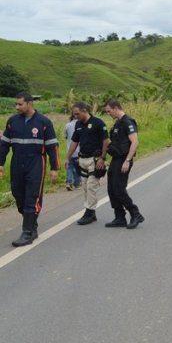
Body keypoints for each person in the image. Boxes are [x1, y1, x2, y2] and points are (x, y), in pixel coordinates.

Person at [0, 92, 59, 246]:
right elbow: (4, 144)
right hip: (17, 164)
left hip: (36, 165)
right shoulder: (12, 121)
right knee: (18, 195)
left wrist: (55, 168)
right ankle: (32, 224)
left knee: (32, 198)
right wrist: (0, 162)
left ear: (29, 103)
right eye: (16, 104)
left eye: (20, 104)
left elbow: (53, 147)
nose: (17, 107)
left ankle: (27, 233)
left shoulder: (44, 122)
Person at [103, 99, 145, 229]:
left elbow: (135, 142)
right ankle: (120, 217)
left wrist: (127, 160)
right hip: (115, 160)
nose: (108, 114)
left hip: (124, 159)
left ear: (116, 108)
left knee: (119, 189)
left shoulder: (128, 122)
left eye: (109, 111)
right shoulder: (117, 123)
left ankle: (135, 213)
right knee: (111, 189)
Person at [65, 102, 109, 225]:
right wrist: (67, 157)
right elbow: (74, 142)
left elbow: (106, 141)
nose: (75, 116)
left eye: (77, 114)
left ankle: (89, 211)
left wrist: (102, 158)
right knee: (85, 186)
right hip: (82, 160)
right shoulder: (78, 125)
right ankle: (91, 213)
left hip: (94, 160)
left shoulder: (98, 123)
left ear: (85, 111)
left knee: (91, 186)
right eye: (74, 114)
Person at [63, 112, 81, 191]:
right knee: (77, 167)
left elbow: (66, 136)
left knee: (69, 167)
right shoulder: (81, 124)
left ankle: (69, 182)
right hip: (79, 150)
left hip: (69, 150)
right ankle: (77, 183)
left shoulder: (67, 125)